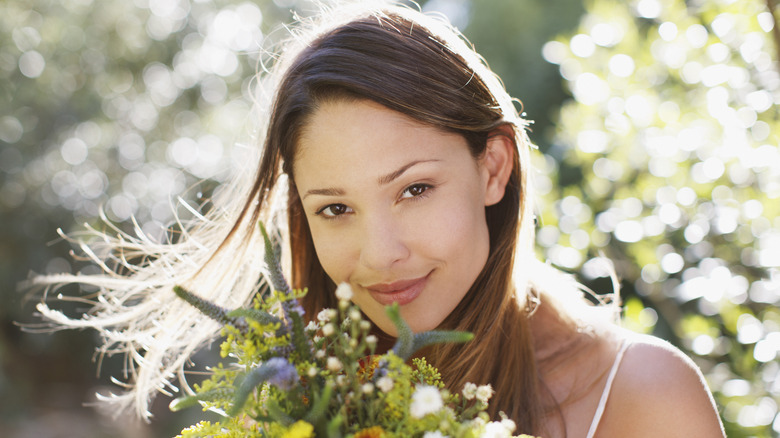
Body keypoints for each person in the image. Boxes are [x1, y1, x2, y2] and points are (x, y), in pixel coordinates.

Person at [31, 1, 725, 436]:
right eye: (336, 209)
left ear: (493, 167)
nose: (379, 253)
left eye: (414, 190)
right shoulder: (305, 402)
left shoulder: (641, 399)